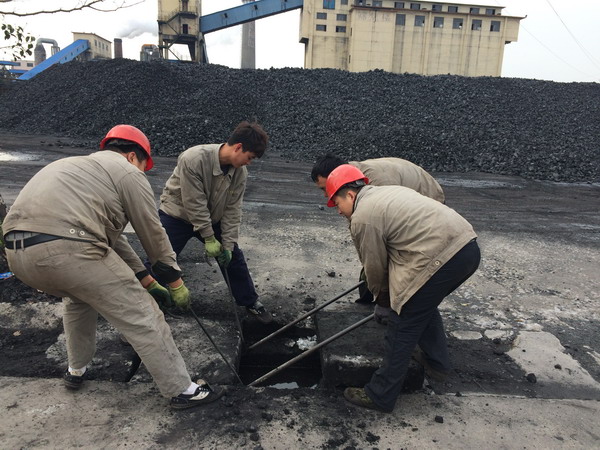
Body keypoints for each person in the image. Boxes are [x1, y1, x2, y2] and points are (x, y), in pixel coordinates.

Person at [2, 124, 223, 410]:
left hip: (18, 254)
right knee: (143, 314)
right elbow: (153, 232)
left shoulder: (76, 168)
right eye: (143, 166)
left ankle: (76, 370)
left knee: (78, 299)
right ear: (132, 156)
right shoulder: (128, 172)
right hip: (69, 248)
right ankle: (183, 390)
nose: (142, 172)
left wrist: (147, 280)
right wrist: (174, 281)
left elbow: (112, 240)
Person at [325, 164, 480, 413]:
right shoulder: (384, 192)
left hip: (443, 255)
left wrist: (383, 300)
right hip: (467, 248)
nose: (338, 211)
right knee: (420, 302)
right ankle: (437, 363)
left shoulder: (363, 216)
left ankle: (380, 395)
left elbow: (374, 267)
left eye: (337, 204)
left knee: (402, 322)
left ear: (350, 195)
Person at [156, 121, 273, 324]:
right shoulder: (194, 159)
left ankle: (250, 301)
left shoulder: (239, 172)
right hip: (178, 215)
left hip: (212, 217)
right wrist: (209, 237)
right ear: (238, 147)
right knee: (160, 257)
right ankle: (148, 302)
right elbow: (194, 202)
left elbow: (232, 209)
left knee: (234, 258)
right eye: (250, 157)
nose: (249, 163)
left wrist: (227, 245)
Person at [311, 154, 445, 312]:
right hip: (404, 188)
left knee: (400, 259)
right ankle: (370, 301)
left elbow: (379, 233)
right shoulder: (351, 181)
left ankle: (403, 305)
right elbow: (360, 231)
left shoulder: (378, 184)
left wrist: (383, 295)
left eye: (324, 188)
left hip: (428, 197)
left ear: (336, 176)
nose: (325, 195)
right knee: (373, 257)